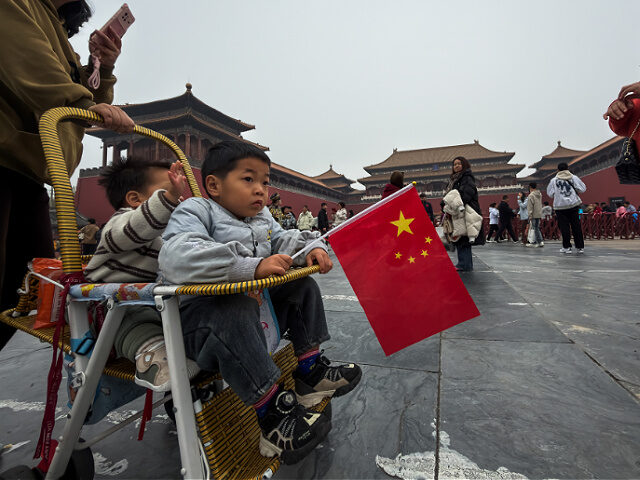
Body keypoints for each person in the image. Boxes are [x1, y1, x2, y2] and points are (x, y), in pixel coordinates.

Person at [158, 141, 362, 464]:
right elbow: (176, 256)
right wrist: (249, 267)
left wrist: (310, 247)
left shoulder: (263, 217)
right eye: (249, 179)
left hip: (255, 311)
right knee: (234, 310)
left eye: (265, 182)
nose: (261, 191)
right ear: (213, 185)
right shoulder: (197, 211)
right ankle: (273, 416)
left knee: (302, 286)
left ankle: (309, 372)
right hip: (200, 325)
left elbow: (283, 239)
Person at [0, 0, 135, 350]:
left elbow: (87, 105)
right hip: (4, 157)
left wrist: (103, 68)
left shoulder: (57, 29)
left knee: (23, 288)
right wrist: (83, 102)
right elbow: (27, 60)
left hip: (31, 168)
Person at [84, 157, 198, 391]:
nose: (179, 198)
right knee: (133, 317)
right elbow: (134, 228)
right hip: (108, 305)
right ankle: (152, 359)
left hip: (154, 301)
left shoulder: (169, 232)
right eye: (169, 191)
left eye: (180, 193)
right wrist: (168, 201)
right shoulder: (120, 224)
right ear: (135, 200)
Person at [443, 156, 480, 272]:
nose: (456, 166)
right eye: (454, 164)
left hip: (465, 210)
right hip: (456, 211)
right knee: (459, 237)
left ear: (464, 164)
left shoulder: (467, 178)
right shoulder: (454, 179)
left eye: (459, 164)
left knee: (463, 238)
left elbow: (466, 194)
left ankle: (465, 264)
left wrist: (456, 204)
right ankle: (462, 262)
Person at [547, 162, 586, 254]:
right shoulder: (574, 178)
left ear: (558, 170)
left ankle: (566, 247)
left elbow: (550, 194)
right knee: (576, 226)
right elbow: (583, 189)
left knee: (564, 227)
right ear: (567, 168)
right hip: (573, 205)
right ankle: (580, 247)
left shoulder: (554, 180)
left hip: (560, 207)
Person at [526, 183, 544, 247]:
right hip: (538, 213)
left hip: (533, 214)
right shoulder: (540, 194)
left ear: (530, 187)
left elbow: (530, 206)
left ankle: (538, 242)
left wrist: (530, 215)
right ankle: (540, 241)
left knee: (535, 228)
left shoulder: (531, 195)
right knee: (537, 228)